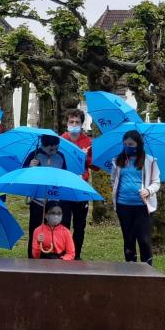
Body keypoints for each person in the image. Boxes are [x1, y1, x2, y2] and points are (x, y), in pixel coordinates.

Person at [110, 130, 160, 265]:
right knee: (128, 239)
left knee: (144, 239)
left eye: (131, 144)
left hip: (143, 207)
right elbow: (113, 180)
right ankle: (130, 268)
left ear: (138, 144)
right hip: (123, 205)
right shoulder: (117, 161)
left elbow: (156, 182)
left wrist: (148, 191)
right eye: (125, 144)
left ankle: (147, 269)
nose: (127, 147)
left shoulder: (150, 161)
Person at [23, 134, 67, 258]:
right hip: (37, 200)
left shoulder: (60, 157)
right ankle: (32, 257)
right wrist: (30, 167)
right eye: (51, 149)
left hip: (54, 199)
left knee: (54, 230)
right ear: (43, 146)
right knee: (35, 231)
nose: (54, 152)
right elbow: (23, 174)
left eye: (56, 148)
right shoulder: (34, 155)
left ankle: (53, 256)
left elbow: (64, 176)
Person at [60, 108, 93, 260]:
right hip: (65, 187)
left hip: (81, 188)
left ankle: (76, 254)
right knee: (64, 222)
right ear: (67, 123)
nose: (74, 124)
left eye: (77, 122)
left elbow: (95, 166)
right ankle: (64, 252)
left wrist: (85, 157)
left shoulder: (88, 142)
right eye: (71, 122)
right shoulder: (62, 140)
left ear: (82, 124)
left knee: (80, 224)